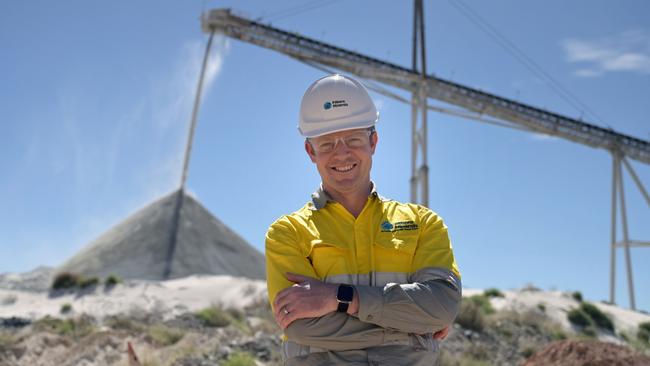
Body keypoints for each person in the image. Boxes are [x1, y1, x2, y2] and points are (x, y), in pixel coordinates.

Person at [265, 74, 461, 365]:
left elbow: (441, 305)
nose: (342, 153)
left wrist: (340, 298)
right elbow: (301, 326)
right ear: (311, 151)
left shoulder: (423, 223)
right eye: (327, 143)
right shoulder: (288, 233)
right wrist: (412, 325)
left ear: (373, 142)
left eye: (353, 139)